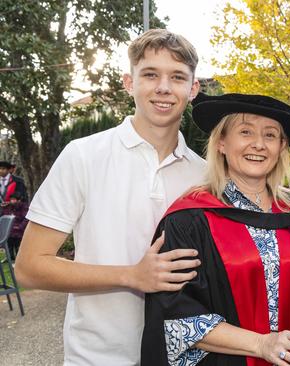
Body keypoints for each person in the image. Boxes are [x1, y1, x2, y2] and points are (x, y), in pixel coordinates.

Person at [15, 29, 205, 365]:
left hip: (185, 358)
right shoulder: (83, 156)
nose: (163, 87)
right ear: (129, 83)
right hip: (97, 358)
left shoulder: (205, 176)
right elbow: (29, 267)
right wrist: (130, 275)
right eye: (150, 74)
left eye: (177, 77)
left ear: (192, 89)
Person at [142, 92, 290, 366]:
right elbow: (176, 316)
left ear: (282, 147)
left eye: (271, 135)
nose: (259, 144)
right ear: (222, 143)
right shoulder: (190, 219)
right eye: (246, 131)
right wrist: (261, 344)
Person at [1, 193, 29, 261]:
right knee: (9, 244)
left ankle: (19, 258)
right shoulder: (9, 206)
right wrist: (3, 208)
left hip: (19, 230)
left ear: (18, 200)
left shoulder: (23, 207)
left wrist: (20, 227)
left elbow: (26, 218)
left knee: (18, 245)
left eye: (13, 199)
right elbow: (5, 215)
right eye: (11, 199)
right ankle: (10, 257)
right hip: (10, 229)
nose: (11, 201)